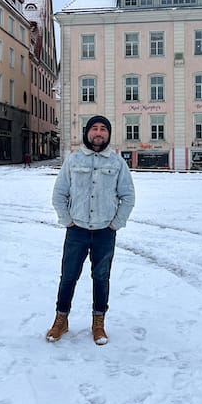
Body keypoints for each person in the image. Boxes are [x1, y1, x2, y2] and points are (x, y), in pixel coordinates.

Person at [46, 115, 135, 345]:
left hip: (105, 232)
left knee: (101, 278)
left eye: (103, 129)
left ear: (108, 134)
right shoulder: (73, 160)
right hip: (76, 230)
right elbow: (59, 194)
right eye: (94, 128)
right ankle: (61, 320)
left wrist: (115, 224)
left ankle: (98, 323)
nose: (98, 133)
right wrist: (67, 220)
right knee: (68, 277)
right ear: (87, 132)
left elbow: (128, 197)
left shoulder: (117, 163)